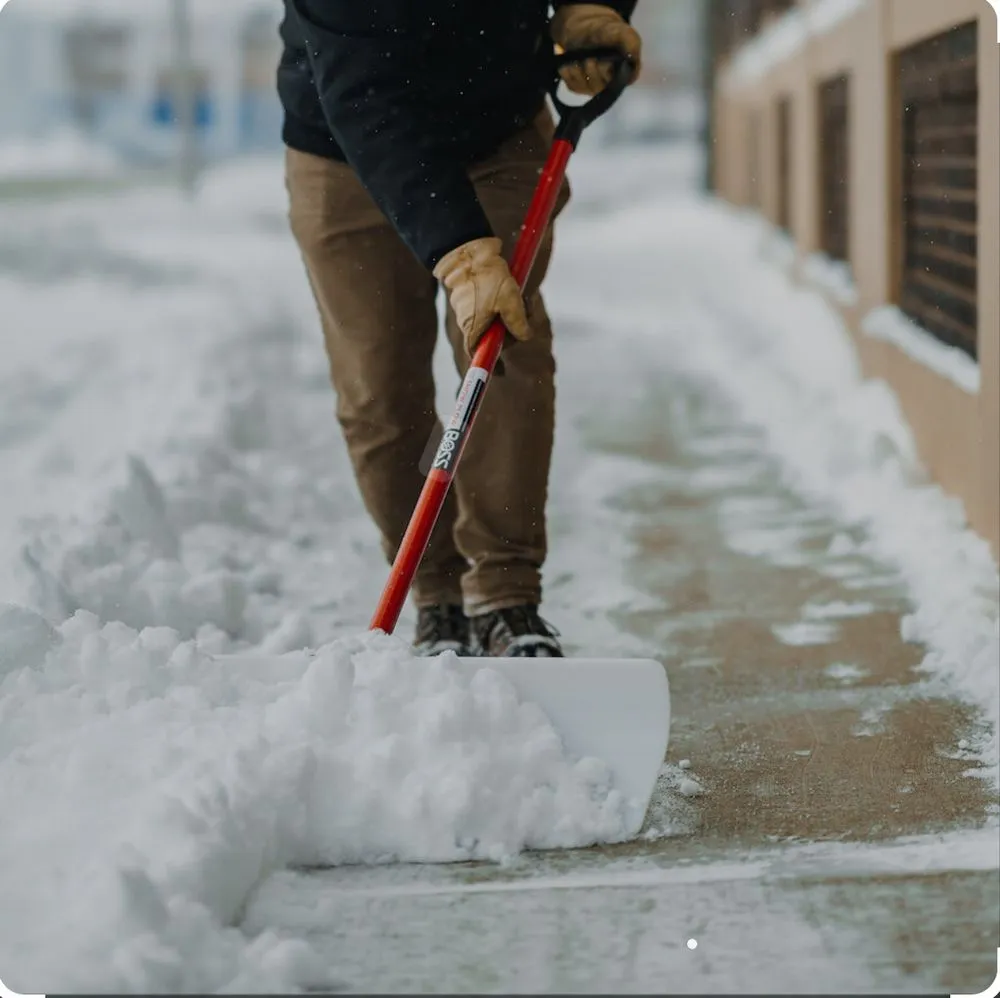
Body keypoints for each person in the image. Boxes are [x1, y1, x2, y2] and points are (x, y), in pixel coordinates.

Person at [278, 2, 642, 657]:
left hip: (497, 129)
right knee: (378, 389)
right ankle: (436, 593)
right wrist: (462, 253)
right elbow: (363, 93)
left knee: (504, 345)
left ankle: (505, 593)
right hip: (348, 147)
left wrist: (597, 7)